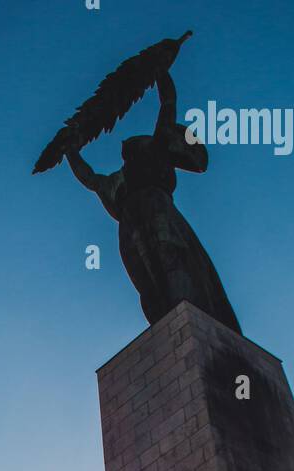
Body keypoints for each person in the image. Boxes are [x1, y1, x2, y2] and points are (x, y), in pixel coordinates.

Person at [63, 70, 241, 334]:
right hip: (129, 223)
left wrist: (159, 70)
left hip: (157, 208)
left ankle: (192, 313)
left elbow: (167, 105)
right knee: (145, 277)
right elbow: (89, 178)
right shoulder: (116, 181)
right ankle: (167, 323)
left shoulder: (155, 151)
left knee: (173, 259)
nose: (127, 144)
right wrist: (69, 151)